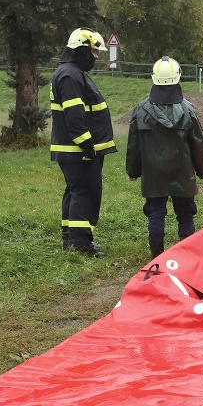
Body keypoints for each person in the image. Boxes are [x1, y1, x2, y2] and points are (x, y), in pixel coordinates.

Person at [126, 56, 203, 258]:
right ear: (178, 77)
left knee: (155, 214)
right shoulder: (188, 109)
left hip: (153, 174)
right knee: (185, 214)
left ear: (154, 78)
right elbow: (198, 144)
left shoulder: (141, 110)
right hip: (183, 173)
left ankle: (157, 258)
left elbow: (134, 144)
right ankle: (187, 258)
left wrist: (133, 170)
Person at [50, 27, 117, 258]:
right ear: (80, 49)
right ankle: (80, 244)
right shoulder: (70, 75)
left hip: (75, 150)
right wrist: (87, 145)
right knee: (85, 193)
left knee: (76, 192)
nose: (95, 57)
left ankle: (71, 240)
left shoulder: (72, 72)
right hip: (78, 150)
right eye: (93, 52)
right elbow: (74, 116)